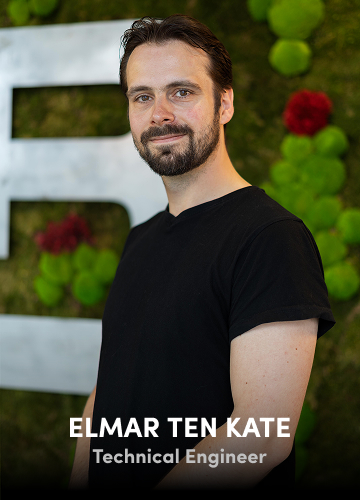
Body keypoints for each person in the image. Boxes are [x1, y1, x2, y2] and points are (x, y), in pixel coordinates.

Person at [69, 14, 335, 491]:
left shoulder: (270, 237)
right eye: (142, 96)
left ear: (225, 103)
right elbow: (109, 386)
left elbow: (263, 436)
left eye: (182, 91)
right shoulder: (142, 237)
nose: (160, 113)